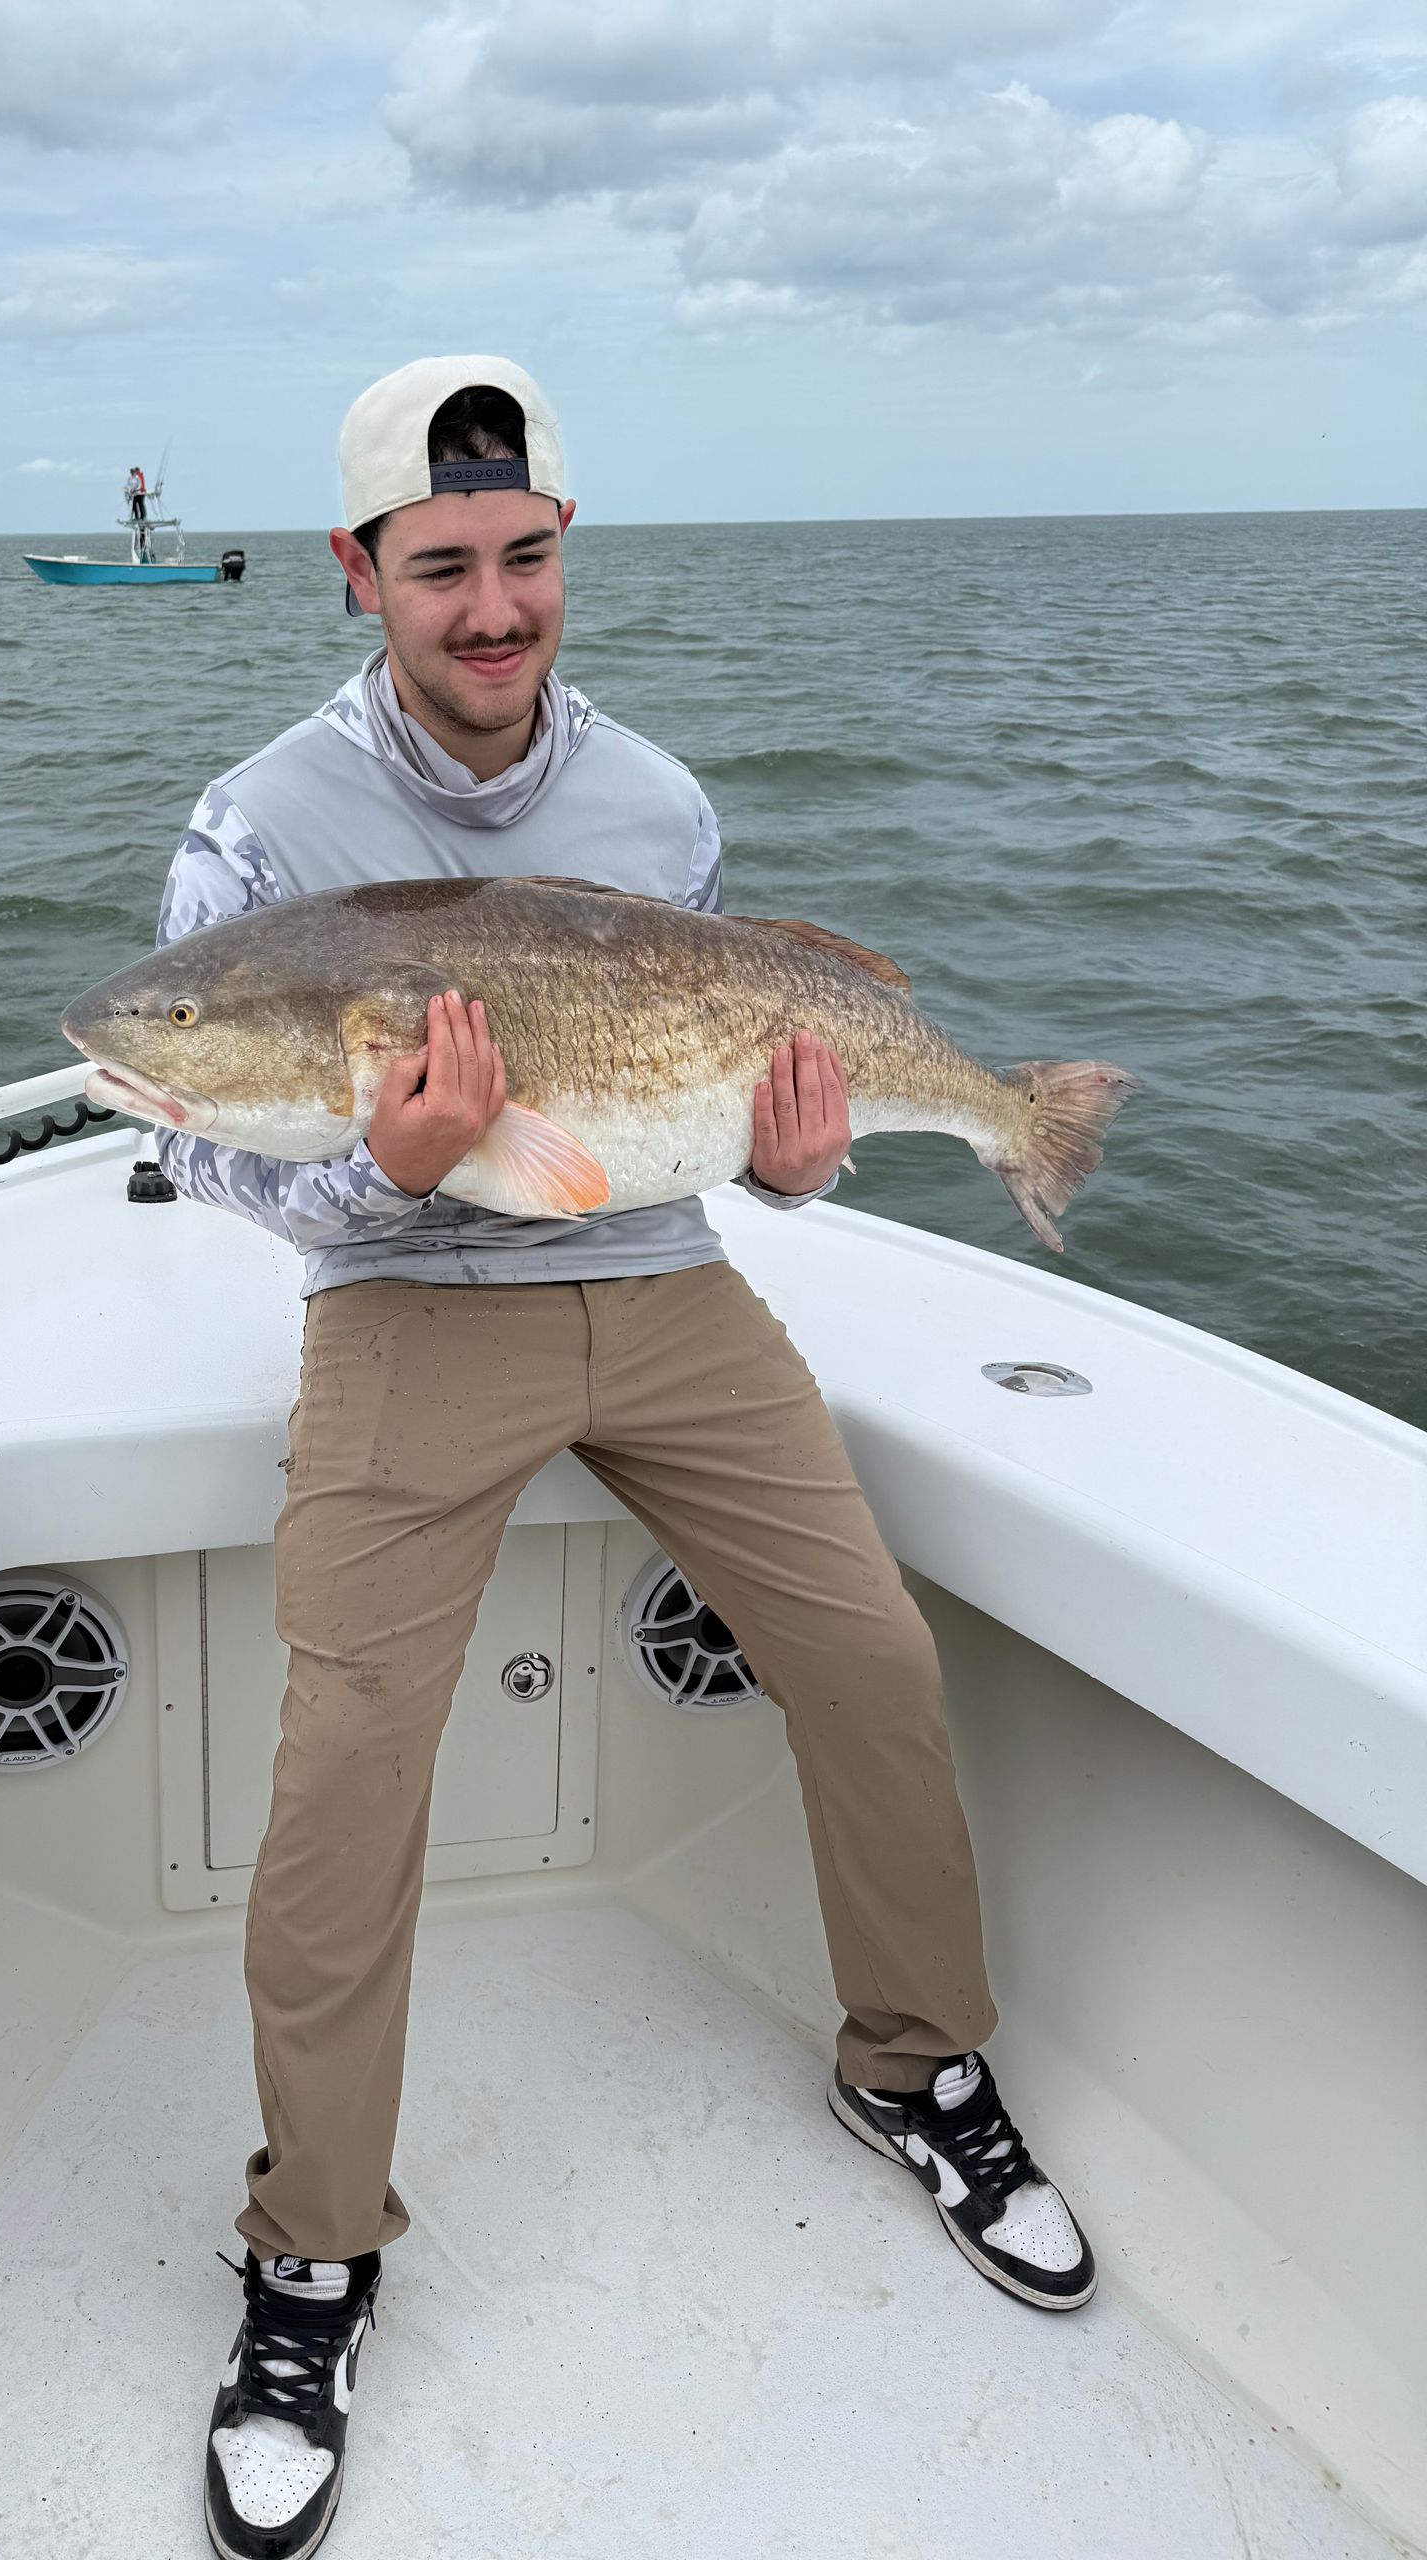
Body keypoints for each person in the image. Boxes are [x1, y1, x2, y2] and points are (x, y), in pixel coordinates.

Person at [152, 355, 1098, 2560]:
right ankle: (311, 2249)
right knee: (347, 1756)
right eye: (445, 565)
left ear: (564, 549)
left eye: (528, 558)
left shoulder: (659, 807)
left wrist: (794, 1165)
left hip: (668, 1285)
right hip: (407, 1299)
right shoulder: (265, 828)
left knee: (867, 1648)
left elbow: (715, 1121)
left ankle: (914, 2059)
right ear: (361, 570)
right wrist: (385, 1176)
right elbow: (216, 1146)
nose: (496, 608)